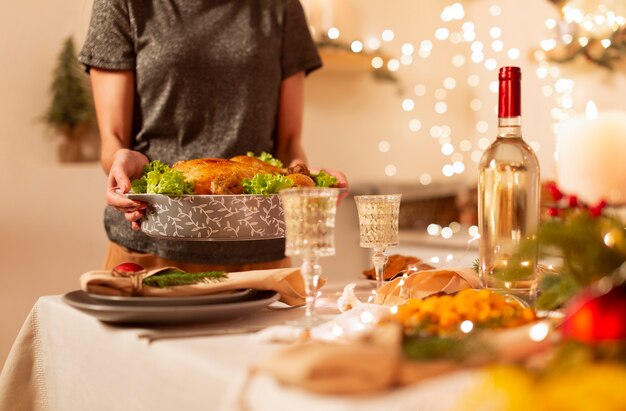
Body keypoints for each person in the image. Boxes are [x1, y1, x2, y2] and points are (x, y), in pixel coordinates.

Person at [78, 0, 348, 272]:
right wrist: (122, 164)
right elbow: (113, 139)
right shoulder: (122, 4)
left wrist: (302, 178)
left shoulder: (282, 7)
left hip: (259, 254)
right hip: (152, 249)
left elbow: (289, 143)